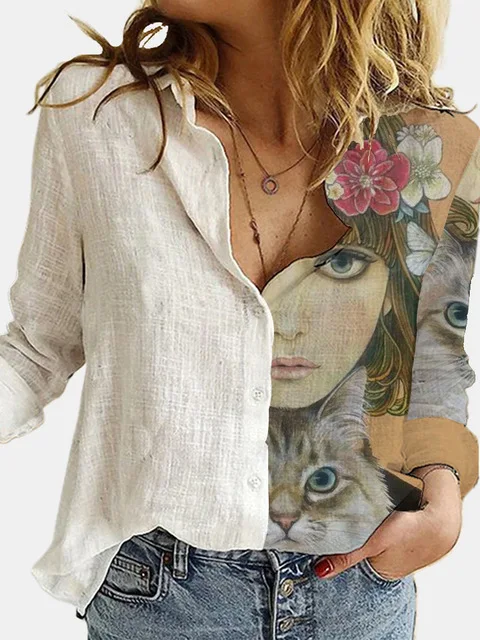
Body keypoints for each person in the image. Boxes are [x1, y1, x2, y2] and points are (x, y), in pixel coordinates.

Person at [1, 1, 479, 638]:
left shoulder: (433, 147)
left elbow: (432, 370)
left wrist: (443, 500)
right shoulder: (99, 113)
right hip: (162, 597)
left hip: (361, 588)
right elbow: (37, 348)